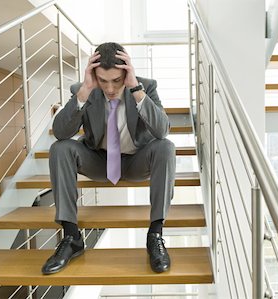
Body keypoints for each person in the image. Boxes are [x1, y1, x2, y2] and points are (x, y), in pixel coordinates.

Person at [41, 42, 176, 275]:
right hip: (98, 161)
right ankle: (72, 237)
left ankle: (155, 234)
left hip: (136, 161)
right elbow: (61, 132)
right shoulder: (83, 90)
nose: (110, 88)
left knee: (166, 147)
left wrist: (135, 89)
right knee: (60, 148)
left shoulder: (146, 87)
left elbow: (162, 130)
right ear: (94, 75)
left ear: (127, 73)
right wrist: (84, 92)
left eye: (116, 80)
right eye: (103, 81)